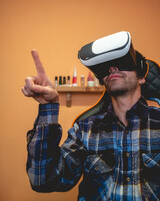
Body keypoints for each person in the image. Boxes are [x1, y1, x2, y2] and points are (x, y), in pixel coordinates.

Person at [22, 32, 160, 201]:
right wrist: (48, 106)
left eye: (122, 63)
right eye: (107, 67)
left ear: (141, 78)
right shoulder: (85, 130)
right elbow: (42, 181)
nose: (113, 69)